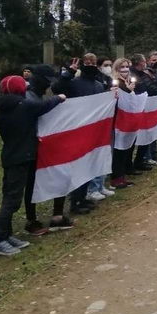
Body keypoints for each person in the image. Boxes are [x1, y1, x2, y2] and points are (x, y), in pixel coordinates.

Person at [0, 76, 65, 256]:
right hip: (21, 158)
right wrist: (60, 98)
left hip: (10, 156)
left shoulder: (3, 110)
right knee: (12, 201)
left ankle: (7, 235)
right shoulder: (24, 107)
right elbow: (44, 106)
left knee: (9, 196)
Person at [53, 53, 115, 205]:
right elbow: (57, 88)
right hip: (77, 127)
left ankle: (84, 195)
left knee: (91, 161)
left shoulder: (99, 84)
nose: (90, 64)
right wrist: (69, 72)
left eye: (93, 62)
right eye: (87, 62)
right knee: (79, 163)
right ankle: (76, 199)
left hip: (93, 128)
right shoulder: (73, 82)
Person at [25, 64, 76, 227]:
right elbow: (36, 110)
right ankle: (31, 219)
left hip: (48, 145)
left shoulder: (39, 95)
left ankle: (58, 215)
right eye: (46, 81)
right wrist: (56, 100)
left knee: (60, 174)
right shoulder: (28, 97)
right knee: (32, 182)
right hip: (31, 147)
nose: (48, 85)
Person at [110, 58, 138, 188]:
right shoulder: (116, 82)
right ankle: (116, 178)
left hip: (127, 119)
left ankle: (122, 176)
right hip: (117, 120)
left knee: (126, 148)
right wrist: (127, 90)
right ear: (117, 68)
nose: (125, 69)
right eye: (122, 67)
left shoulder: (127, 81)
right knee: (118, 150)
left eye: (127, 66)